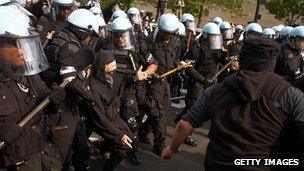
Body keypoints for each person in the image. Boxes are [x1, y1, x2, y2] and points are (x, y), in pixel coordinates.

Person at [162, 37, 304, 170]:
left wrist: (171, 148)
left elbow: (185, 125)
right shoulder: (291, 95)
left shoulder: (217, 90)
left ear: (243, 58)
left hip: (218, 164)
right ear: (274, 61)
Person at [0, 8, 66, 170]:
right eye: (16, 45)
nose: (23, 52)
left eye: (25, 44)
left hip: (40, 155)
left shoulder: (28, 74)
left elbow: (43, 99)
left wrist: (54, 99)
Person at [41, 8, 99, 170]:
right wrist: (90, 96)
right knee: (56, 158)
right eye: (90, 35)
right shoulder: (70, 46)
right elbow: (69, 78)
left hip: (67, 107)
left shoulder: (61, 37)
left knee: (81, 147)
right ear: (84, 33)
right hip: (61, 111)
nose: (90, 40)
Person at [70, 50, 134, 171]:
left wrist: (136, 76)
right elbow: (99, 118)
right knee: (122, 144)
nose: (115, 63)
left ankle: (104, 147)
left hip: (110, 115)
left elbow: (124, 75)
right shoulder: (94, 89)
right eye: (111, 62)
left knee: (130, 136)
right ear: (104, 66)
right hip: (95, 119)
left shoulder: (109, 77)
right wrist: (119, 135)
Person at [139, 13, 182, 156]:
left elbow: (175, 57)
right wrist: (151, 72)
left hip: (166, 81)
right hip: (153, 81)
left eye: (170, 33)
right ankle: (160, 145)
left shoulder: (176, 41)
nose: (167, 36)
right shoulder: (149, 41)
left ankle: (143, 131)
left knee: (161, 108)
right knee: (159, 113)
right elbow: (143, 59)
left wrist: (179, 65)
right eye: (165, 33)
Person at [174, 22, 222, 146]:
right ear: (206, 36)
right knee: (193, 107)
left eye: (216, 37)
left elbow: (220, 61)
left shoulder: (216, 49)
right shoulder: (196, 48)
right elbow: (189, 68)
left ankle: (180, 119)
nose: (215, 40)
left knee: (201, 107)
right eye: (213, 37)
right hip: (197, 82)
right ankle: (186, 134)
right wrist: (202, 79)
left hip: (210, 81)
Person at [275, 26, 304, 92]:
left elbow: (298, 72)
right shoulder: (281, 51)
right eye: (303, 40)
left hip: (293, 88)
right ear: (295, 39)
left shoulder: (298, 54)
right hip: (279, 88)